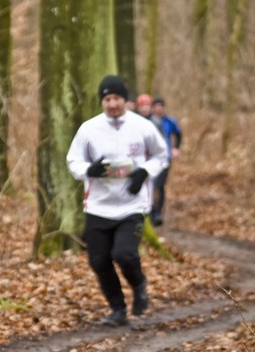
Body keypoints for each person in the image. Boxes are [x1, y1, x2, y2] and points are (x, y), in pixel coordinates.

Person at [66, 75, 168, 326]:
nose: (112, 104)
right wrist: (89, 171)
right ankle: (117, 308)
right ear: (102, 101)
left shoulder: (142, 127)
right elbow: (73, 161)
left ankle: (139, 285)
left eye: (117, 98)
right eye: (107, 99)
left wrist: (144, 172)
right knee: (98, 260)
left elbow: (161, 155)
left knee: (124, 254)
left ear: (125, 99)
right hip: (98, 205)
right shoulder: (89, 129)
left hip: (131, 204)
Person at [149, 97, 181, 226]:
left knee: (159, 185)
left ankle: (158, 213)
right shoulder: (148, 121)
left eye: (160, 106)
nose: (158, 108)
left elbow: (178, 134)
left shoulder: (169, 121)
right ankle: (151, 212)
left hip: (165, 158)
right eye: (156, 106)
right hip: (151, 158)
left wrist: (176, 148)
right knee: (151, 185)